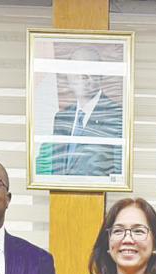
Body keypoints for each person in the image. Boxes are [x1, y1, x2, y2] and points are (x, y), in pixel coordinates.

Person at [43, 46, 123, 177]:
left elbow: (120, 174)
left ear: (101, 75)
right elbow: (56, 171)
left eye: (89, 69)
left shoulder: (116, 116)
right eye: (76, 69)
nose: (83, 76)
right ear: (68, 76)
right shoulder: (61, 118)